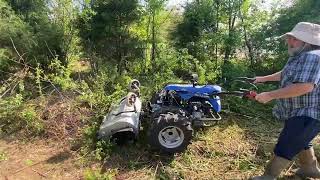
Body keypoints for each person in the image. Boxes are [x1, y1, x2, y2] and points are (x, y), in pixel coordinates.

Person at [251, 22, 320, 180]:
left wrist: (270, 95)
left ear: (307, 41)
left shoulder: (314, 57)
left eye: (294, 38)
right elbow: (284, 73)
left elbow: (305, 87)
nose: (289, 41)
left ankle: (268, 176)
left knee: (287, 142)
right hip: (298, 110)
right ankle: (309, 169)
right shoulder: (299, 55)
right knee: (301, 139)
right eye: (290, 37)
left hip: (310, 112)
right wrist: (263, 79)